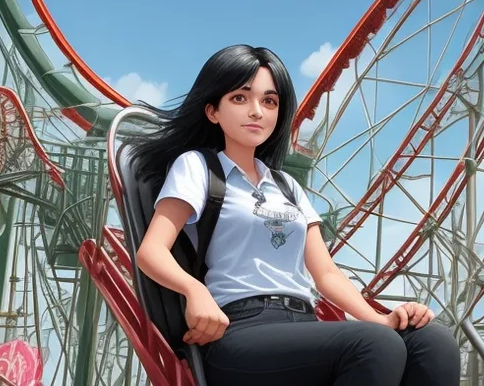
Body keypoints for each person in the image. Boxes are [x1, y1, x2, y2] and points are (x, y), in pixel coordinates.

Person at [129, 44, 461, 385]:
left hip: (304, 323)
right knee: (374, 346)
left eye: (269, 101)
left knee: (433, 341)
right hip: (240, 330)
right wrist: (195, 291)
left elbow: (326, 274)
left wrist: (382, 318)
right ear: (213, 111)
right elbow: (151, 251)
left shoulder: (287, 186)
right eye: (240, 98)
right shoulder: (198, 167)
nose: (256, 111)